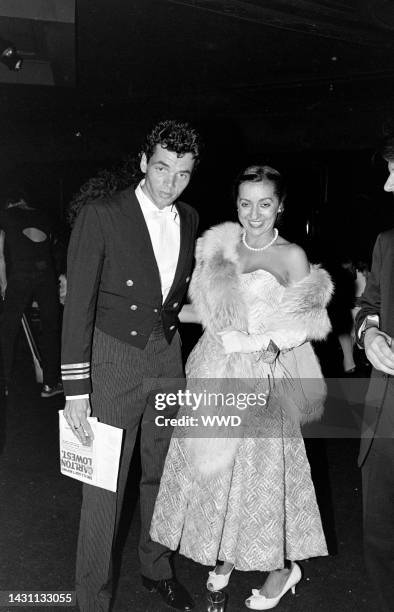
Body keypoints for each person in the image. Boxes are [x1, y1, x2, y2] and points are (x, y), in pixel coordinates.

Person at [150, 165, 333, 610]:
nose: (255, 214)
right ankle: (227, 557)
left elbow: (306, 325)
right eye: (246, 203)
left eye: (265, 203)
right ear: (236, 205)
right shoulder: (220, 249)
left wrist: (256, 342)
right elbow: (200, 311)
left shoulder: (291, 256)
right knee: (217, 474)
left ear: (281, 206)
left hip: (259, 377)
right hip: (213, 370)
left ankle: (281, 570)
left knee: (258, 478)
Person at [61, 119, 202, 612]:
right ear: (144, 162)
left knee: (162, 471)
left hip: (166, 358)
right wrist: (77, 390)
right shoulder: (102, 214)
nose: (171, 183)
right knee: (104, 490)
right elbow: (77, 303)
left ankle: (155, 567)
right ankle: (90, 601)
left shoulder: (190, 216)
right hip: (113, 360)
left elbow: (174, 299)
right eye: (163, 169)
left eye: (183, 173)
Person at [355, 134, 394, 612]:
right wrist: (369, 335)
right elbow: (369, 305)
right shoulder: (387, 244)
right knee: (382, 540)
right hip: (386, 415)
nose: (387, 187)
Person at [0, 190, 62, 397]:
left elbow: (0, 256)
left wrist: (4, 284)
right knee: (51, 328)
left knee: (8, 329)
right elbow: (54, 246)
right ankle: (50, 383)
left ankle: (4, 384)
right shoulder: (44, 215)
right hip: (46, 274)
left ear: (11, 204)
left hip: (21, 274)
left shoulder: (6, 216)